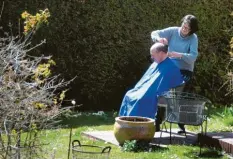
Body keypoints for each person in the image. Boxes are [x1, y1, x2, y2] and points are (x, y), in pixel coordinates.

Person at [151, 14, 199, 133]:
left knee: (176, 96)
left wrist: (178, 54)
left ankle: (180, 124)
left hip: (185, 70)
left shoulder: (193, 38)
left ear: (192, 30)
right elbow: (154, 33)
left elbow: (193, 57)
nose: (184, 29)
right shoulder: (172, 31)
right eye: (183, 25)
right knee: (162, 91)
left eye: (187, 28)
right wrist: (159, 39)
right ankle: (157, 122)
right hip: (169, 68)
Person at [119, 43, 184, 119]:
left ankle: (136, 123)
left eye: (153, 55)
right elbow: (144, 81)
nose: (151, 57)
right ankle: (125, 121)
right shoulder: (155, 64)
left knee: (140, 100)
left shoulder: (171, 67)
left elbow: (165, 88)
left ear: (161, 53)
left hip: (157, 95)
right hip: (144, 91)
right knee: (128, 94)